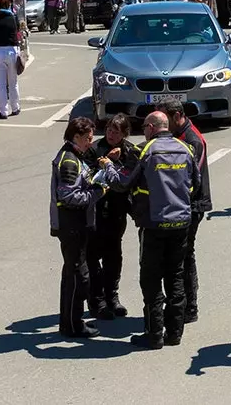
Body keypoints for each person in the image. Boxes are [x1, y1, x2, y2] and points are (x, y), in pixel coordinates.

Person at [98, 111, 199, 349]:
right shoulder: (186, 149)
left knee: (151, 280)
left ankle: (154, 335)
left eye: (144, 127)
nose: (142, 131)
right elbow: (196, 185)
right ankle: (174, 334)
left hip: (154, 224)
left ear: (152, 128)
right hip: (181, 222)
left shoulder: (147, 150)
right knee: (175, 276)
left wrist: (109, 166)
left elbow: (122, 184)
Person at [50, 117, 102, 338]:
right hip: (71, 224)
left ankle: (70, 322)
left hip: (76, 224)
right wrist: (98, 192)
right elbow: (69, 196)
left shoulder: (75, 156)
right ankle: (72, 324)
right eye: (88, 138)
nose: (91, 142)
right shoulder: (70, 161)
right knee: (77, 276)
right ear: (77, 136)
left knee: (76, 274)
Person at [89, 114, 139, 320]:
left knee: (114, 258)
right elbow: (89, 175)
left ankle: (112, 297)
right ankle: (97, 301)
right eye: (109, 129)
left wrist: (120, 160)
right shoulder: (94, 149)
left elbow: (133, 176)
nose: (111, 134)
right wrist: (106, 161)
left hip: (117, 213)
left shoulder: (130, 151)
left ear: (124, 134)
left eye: (116, 131)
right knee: (92, 258)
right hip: (95, 213)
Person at [166, 105, 211, 324]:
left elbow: (190, 177)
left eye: (167, 120)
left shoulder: (192, 140)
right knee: (181, 254)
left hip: (193, 205)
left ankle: (189, 307)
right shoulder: (178, 134)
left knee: (185, 254)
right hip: (185, 204)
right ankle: (183, 304)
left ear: (177, 116)